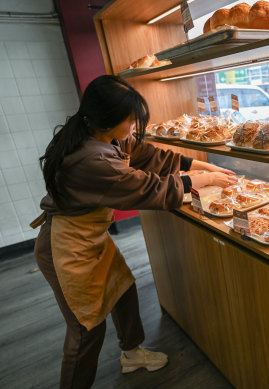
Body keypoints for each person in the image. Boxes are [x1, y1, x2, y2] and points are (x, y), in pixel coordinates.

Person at [31, 75, 237, 389]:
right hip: (66, 246)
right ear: (109, 119)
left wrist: (198, 166)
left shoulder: (99, 134)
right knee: (86, 329)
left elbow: (145, 155)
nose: (132, 127)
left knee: (122, 288)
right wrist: (201, 181)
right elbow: (147, 189)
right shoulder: (93, 159)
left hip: (89, 236)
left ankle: (132, 354)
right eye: (129, 120)